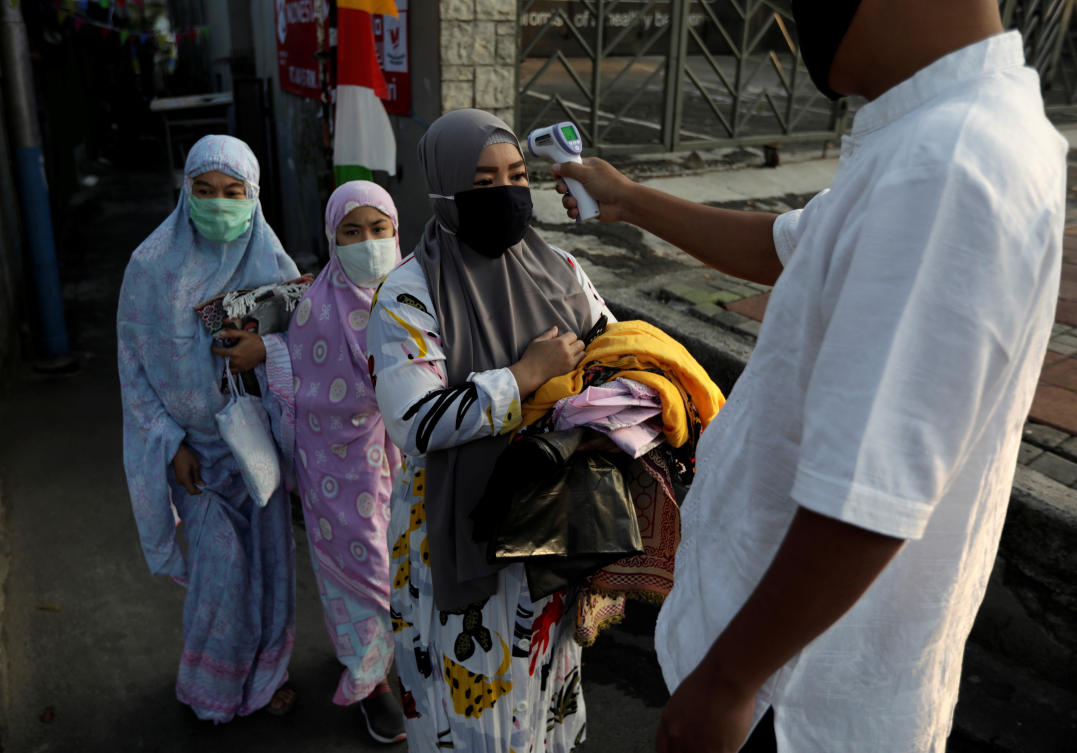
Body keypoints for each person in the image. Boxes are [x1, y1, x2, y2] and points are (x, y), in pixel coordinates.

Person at [552, 1, 1067, 751]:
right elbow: (787, 244)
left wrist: (726, 685)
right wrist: (628, 199)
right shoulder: (955, 131)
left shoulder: (948, 163)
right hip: (784, 668)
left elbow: (870, 495)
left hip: (789, 697)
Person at [366, 108, 613, 751]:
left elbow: (611, 352)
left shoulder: (561, 269)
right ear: (445, 191)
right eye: (482, 183)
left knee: (545, 688)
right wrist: (524, 376)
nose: (505, 193)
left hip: (553, 520)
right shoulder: (408, 293)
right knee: (469, 706)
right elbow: (416, 422)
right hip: (458, 529)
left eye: (517, 175)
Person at [118, 134, 299, 722]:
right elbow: (133, 369)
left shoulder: (271, 263)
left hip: (259, 451)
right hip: (195, 456)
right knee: (220, 576)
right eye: (205, 189)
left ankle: (267, 677)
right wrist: (170, 444)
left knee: (270, 569)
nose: (219, 202)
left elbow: (308, 349)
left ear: (254, 196)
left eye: (233, 191)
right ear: (185, 192)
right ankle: (211, 688)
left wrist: (265, 350)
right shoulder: (151, 268)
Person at [220, 181, 408, 743]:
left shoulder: (417, 290)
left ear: (396, 231)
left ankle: (391, 662)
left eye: (378, 229)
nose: (367, 242)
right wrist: (268, 351)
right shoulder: (318, 305)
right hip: (341, 471)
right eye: (352, 232)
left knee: (410, 568)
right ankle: (371, 683)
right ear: (332, 238)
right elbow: (305, 376)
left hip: (409, 462)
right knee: (359, 574)